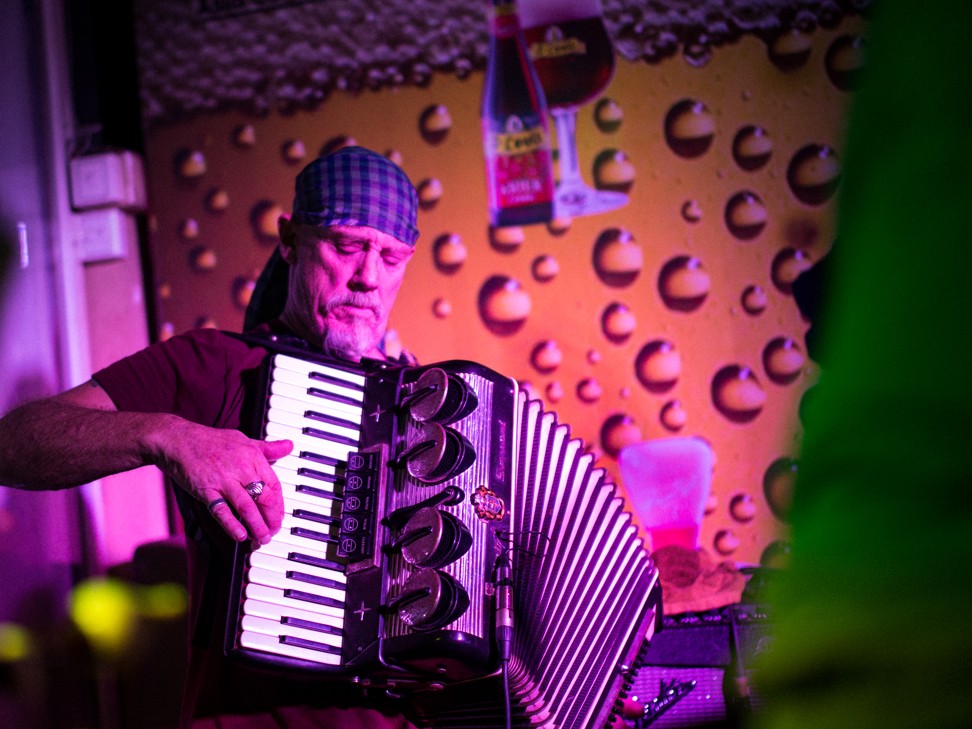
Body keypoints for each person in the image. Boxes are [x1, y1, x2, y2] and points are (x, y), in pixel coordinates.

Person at [0, 146, 423, 728]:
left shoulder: (426, 402)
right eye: (345, 246)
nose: (368, 277)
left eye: (392, 257)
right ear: (290, 240)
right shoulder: (216, 363)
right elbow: (16, 443)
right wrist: (169, 437)